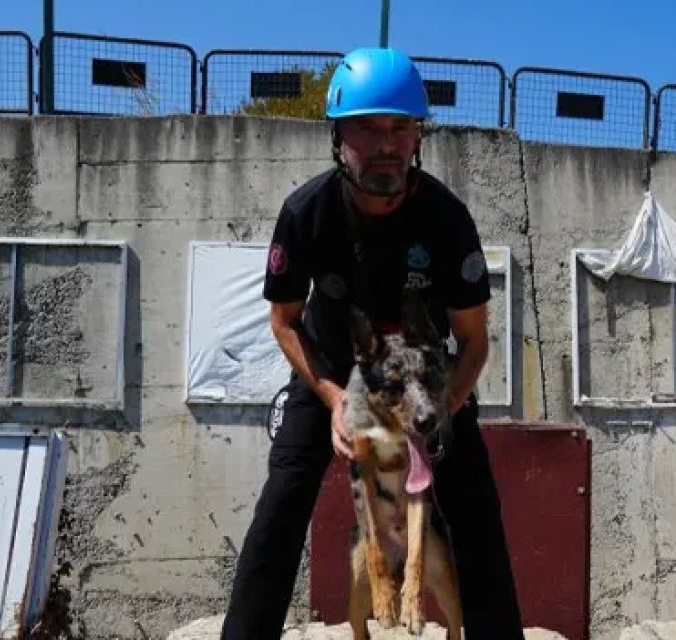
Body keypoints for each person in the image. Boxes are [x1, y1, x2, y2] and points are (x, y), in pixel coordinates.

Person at [220, 46, 524, 639]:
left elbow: (474, 342)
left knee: (475, 512)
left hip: (425, 385)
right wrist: (335, 400)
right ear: (339, 136)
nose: (386, 144)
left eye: (400, 127)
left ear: (417, 137)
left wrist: (438, 409)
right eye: (367, 127)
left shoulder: (447, 219)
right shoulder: (306, 214)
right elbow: (284, 321)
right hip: (332, 373)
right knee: (281, 507)